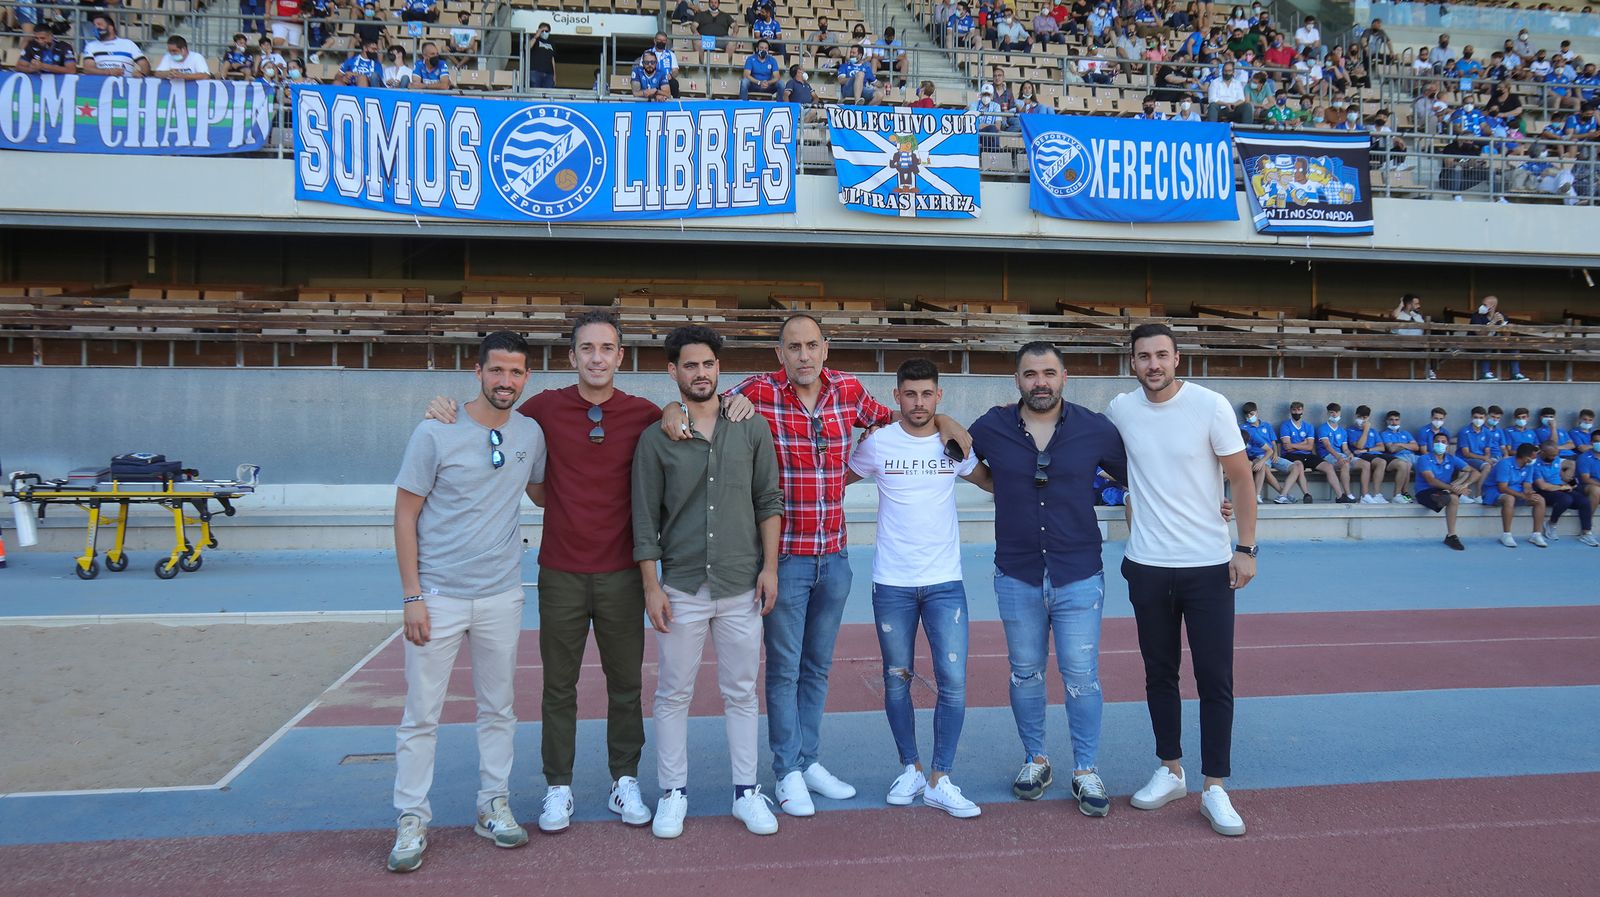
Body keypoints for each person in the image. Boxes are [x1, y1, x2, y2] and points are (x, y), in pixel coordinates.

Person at [659, 315, 937, 818]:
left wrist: (950, 424)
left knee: (817, 666)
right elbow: (698, 399)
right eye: (794, 347)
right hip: (783, 558)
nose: (804, 355)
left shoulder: (849, 391)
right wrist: (670, 408)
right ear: (779, 353)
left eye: (812, 345)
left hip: (834, 555)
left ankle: (809, 760)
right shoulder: (756, 394)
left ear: (826, 349)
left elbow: (897, 422)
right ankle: (785, 770)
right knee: (784, 669)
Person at [426, 311, 659, 834]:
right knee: (559, 687)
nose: (597, 357)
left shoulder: (644, 413)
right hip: (561, 573)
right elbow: (492, 420)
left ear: (620, 357)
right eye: (587, 349)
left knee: (626, 686)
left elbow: (689, 413)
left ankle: (625, 780)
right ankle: (559, 787)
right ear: (571, 357)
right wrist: (444, 409)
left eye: (607, 348)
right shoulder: (540, 411)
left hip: (623, 573)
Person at [387, 332, 547, 873]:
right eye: (497, 371)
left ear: (527, 378)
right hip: (438, 595)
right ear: (477, 372)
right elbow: (404, 515)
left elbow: (546, 491)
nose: (506, 381)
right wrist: (412, 596)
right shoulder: (436, 429)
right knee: (421, 714)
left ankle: (492, 804)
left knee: (499, 707)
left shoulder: (530, 433)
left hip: (503, 594)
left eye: (517, 373)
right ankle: (411, 817)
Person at [1107, 323, 1257, 838]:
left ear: (1177, 359)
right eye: (1144, 356)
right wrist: (1136, 516)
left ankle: (1215, 785)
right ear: (1132, 362)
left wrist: (1245, 549)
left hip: (1208, 566)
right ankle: (1170, 770)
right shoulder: (1120, 410)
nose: (1153, 364)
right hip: (1147, 567)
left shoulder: (1211, 405)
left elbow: (1240, 477)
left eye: (1162, 355)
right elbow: (1130, 478)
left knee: (1215, 679)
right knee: (1159, 674)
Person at [633, 326, 783, 839]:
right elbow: (644, 519)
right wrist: (652, 587)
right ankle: (673, 793)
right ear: (672, 372)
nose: (701, 373)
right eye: (690, 365)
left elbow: (768, 500)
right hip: (681, 586)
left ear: (720, 368)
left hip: (742, 582)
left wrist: (770, 568)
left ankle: (746, 793)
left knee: (742, 692)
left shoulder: (750, 425)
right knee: (673, 693)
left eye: (709, 364)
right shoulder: (657, 437)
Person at [969, 342, 1126, 817]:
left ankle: (1085, 769)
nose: (1041, 381)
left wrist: (1209, 504)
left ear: (1064, 377)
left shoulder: (1096, 429)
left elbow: (1148, 476)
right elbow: (945, 444)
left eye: (1049, 372)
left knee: (1081, 677)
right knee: (1026, 673)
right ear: (1016, 379)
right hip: (1016, 572)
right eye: (1031, 373)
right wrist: (991, 482)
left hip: (1078, 572)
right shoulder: (991, 426)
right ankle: (1036, 759)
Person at [845, 359, 989, 818]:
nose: (919, 402)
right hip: (892, 583)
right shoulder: (877, 444)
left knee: (954, 684)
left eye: (927, 394)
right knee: (896, 680)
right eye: (910, 394)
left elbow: (992, 483)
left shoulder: (953, 444)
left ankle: (941, 777)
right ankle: (910, 767)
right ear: (896, 396)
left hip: (945, 583)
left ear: (939, 396)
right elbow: (833, 480)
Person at [1482, 444, 1549, 548]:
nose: (1536, 459)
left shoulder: (1529, 465)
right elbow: (1502, 488)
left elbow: (1527, 484)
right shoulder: (1505, 464)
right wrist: (1522, 496)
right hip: (1494, 491)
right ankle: (1506, 535)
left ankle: (1536, 534)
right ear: (1526, 457)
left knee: (1540, 500)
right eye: (1534, 456)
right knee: (1509, 498)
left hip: (1517, 489)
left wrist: (1529, 492)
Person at [1413, 432, 1470, 550]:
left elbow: (1473, 471)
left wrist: (1463, 484)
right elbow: (1431, 481)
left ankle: (1451, 535)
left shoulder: (1451, 458)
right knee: (1451, 496)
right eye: (1437, 442)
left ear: (1448, 444)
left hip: (1444, 489)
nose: (1440, 444)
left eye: (1443, 442)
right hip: (1425, 491)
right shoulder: (1424, 459)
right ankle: (1441, 499)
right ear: (1432, 444)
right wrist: (1454, 488)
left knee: (1452, 497)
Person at [1240, 402, 1306, 503]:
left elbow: (1273, 442)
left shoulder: (1266, 425)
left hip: (1271, 455)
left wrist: (1275, 453)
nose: (1249, 417)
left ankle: (1283, 495)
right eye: (1247, 415)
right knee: (1264, 467)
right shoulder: (1244, 428)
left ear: (1257, 412)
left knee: (1296, 467)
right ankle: (1283, 495)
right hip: (1258, 456)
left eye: (1251, 414)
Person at [1531, 441, 1592, 545]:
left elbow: (1560, 474)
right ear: (1543, 452)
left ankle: (1586, 533)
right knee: (1565, 499)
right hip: (1544, 491)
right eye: (1552, 455)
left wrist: (1570, 483)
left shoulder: (1555, 459)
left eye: (1556, 454)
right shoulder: (1535, 464)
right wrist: (1562, 487)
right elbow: (1542, 485)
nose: (1555, 457)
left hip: (1559, 487)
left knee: (1584, 501)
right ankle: (1551, 524)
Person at [1278, 401, 1333, 503]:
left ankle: (1341, 496)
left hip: (1308, 455)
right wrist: (1304, 443)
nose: (1297, 412)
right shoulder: (1285, 425)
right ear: (1290, 411)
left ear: (1302, 411)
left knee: (1328, 466)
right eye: (1294, 410)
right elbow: (1287, 447)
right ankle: (1305, 494)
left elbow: (1310, 447)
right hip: (1291, 455)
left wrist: (1296, 445)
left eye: (1299, 410)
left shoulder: (1308, 426)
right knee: (1299, 466)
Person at [1471, 295, 1528, 382]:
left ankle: (1515, 374)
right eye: (1482, 304)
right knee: (1487, 345)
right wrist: (1493, 322)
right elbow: (1480, 334)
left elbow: (1506, 336)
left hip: (1495, 344)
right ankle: (1485, 373)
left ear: (1492, 306)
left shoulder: (1501, 315)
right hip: (1475, 344)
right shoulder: (1476, 316)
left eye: (1485, 305)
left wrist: (1502, 323)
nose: (1482, 307)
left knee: (1514, 346)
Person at [80, 13, 149, 77]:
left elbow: (144, 64)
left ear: (110, 28)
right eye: (94, 25)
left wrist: (141, 73)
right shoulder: (91, 46)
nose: (96, 27)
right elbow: (88, 69)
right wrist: (109, 72)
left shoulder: (128, 44)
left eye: (99, 24)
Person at [1316, 402, 1358, 503]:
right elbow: (1327, 446)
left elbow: (1345, 448)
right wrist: (1339, 457)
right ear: (1328, 414)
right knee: (1345, 464)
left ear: (1340, 413)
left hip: (1341, 455)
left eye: (1336, 412)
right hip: (1327, 455)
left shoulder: (1342, 431)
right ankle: (1348, 494)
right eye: (1331, 412)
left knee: (1365, 464)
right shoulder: (1323, 428)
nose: (1334, 415)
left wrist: (1350, 454)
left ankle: (1367, 496)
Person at [1455, 407, 1500, 501]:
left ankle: (1489, 494)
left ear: (1485, 418)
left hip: (1479, 460)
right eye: (1476, 417)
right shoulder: (1464, 432)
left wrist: (1486, 457)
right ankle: (1479, 494)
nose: (1478, 420)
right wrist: (1484, 458)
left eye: (1481, 417)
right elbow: (1466, 453)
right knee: (1487, 466)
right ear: (1471, 417)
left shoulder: (1487, 432)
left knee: (1496, 465)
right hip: (1464, 459)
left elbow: (1487, 450)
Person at [1348, 406, 1390, 504]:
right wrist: (1366, 430)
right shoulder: (1351, 430)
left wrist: (1367, 449)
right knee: (1381, 462)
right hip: (1362, 456)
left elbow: (1382, 447)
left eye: (1365, 418)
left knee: (1403, 464)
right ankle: (1375, 494)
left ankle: (1399, 495)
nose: (1362, 420)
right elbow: (1359, 446)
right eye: (1360, 417)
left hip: (1374, 453)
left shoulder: (1374, 431)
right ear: (1356, 416)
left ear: (1368, 418)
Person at [1378, 410, 1418, 503]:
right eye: (1391, 420)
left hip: (1412, 455)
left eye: (1396, 420)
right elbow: (1391, 449)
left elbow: (1416, 447)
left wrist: (1400, 444)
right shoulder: (1384, 434)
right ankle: (1404, 493)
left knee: (1427, 462)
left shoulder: (1405, 433)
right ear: (1387, 421)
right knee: (1406, 465)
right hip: (1398, 457)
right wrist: (1407, 445)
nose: (1394, 422)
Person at [1578, 430, 1600, 547]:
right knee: (1596, 490)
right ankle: (1586, 530)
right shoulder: (1584, 457)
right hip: (1585, 487)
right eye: (1596, 441)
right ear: (1591, 442)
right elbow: (1585, 479)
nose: (1599, 443)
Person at [527, 22, 556, 90]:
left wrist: (554, 75)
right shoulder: (535, 40)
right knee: (535, 94)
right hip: (536, 72)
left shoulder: (552, 43)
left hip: (549, 74)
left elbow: (552, 59)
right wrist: (536, 36)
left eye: (546, 31)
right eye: (542, 31)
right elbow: (527, 47)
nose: (544, 32)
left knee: (548, 95)